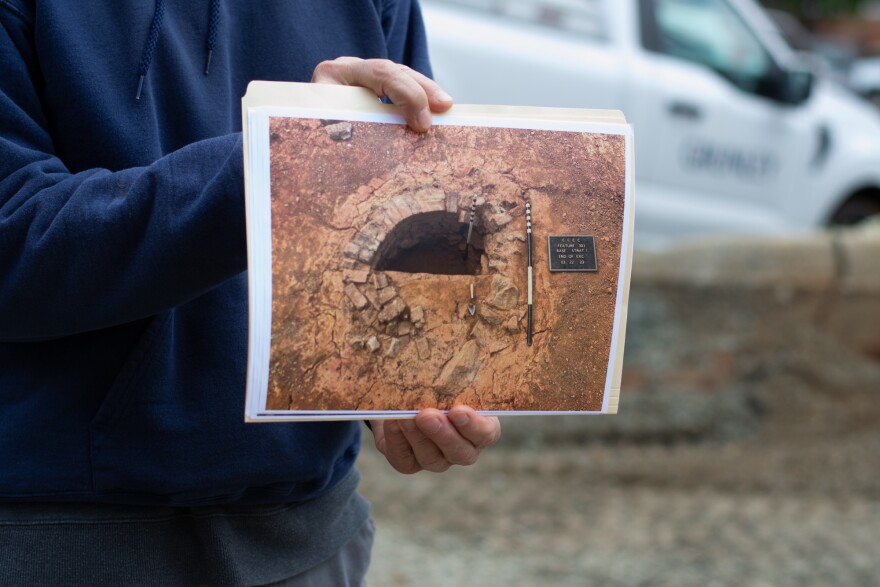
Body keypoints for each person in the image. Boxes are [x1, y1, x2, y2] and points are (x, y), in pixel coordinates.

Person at [0, 1, 501, 585]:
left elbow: (401, 193)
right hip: (61, 533)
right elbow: (13, 235)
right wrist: (277, 163)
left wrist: (394, 394)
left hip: (311, 530)